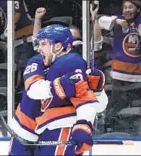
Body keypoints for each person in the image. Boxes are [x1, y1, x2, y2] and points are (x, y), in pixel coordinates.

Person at [25, 24, 108, 155]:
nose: (39, 48)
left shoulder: (70, 62)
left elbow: (85, 99)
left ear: (57, 46)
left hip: (62, 129)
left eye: (43, 44)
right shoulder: (53, 64)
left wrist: (83, 126)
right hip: (52, 130)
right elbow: (34, 90)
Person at [93, 0, 141, 120]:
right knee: (114, 109)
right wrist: (117, 21)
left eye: (130, 7)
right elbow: (100, 20)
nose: (127, 10)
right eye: (125, 8)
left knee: (139, 112)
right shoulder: (117, 20)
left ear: (138, 9)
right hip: (119, 78)